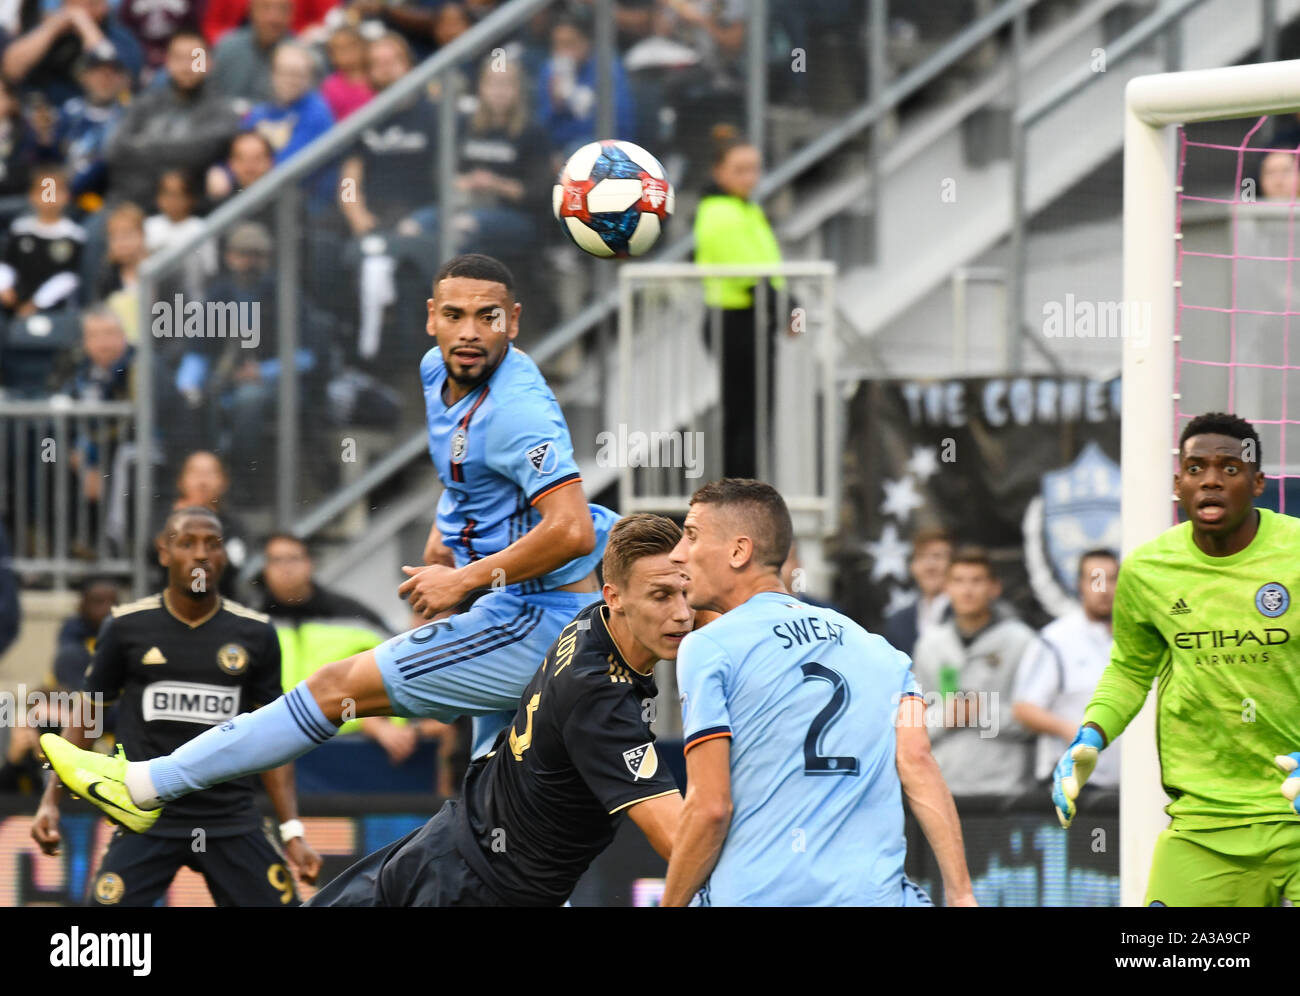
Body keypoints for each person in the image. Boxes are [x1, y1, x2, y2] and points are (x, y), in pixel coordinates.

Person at [42, 253, 621, 838]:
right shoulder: (436, 371)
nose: (470, 331)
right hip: (525, 610)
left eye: (488, 317)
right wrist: (448, 531)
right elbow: (467, 471)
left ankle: (145, 786)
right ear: (430, 318)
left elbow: (570, 528)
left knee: (331, 689)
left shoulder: (518, 410)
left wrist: (465, 579)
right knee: (494, 823)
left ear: (514, 322)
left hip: (540, 620)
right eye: (455, 314)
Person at [306, 513, 685, 906]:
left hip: (441, 847)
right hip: (474, 892)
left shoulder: (589, 624)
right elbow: (677, 840)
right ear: (613, 596)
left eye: (686, 593)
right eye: (661, 596)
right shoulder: (601, 701)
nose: (681, 613)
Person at [662, 479, 976, 907]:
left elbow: (710, 808)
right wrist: (960, 895)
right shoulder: (883, 653)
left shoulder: (708, 646)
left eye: (692, 535)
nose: (678, 552)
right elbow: (918, 762)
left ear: (739, 551)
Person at [1055, 412, 1300, 907]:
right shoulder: (1148, 571)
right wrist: (1091, 733)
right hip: (1204, 826)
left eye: (1229, 468)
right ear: (1178, 483)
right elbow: (1129, 668)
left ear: (1257, 483)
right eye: (1195, 468)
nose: (1210, 479)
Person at [35, 506, 323, 906]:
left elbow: (275, 738)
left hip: (230, 819)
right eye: (187, 543)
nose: (201, 554)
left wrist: (292, 831)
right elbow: (88, 713)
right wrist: (50, 802)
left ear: (225, 556)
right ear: (164, 552)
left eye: (212, 544)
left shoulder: (255, 633)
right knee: (96, 949)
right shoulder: (125, 627)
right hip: (145, 816)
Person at [908, 546, 1037, 797]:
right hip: (944, 785)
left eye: (977, 581)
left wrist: (981, 712)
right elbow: (912, 720)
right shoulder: (929, 645)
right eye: (958, 581)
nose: (967, 590)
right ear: (946, 588)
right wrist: (948, 715)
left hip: (1005, 788)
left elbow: (1035, 719)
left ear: (994, 588)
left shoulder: (1022, 642)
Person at [694, 127, 783, 480]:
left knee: (751, 414)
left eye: (754, 169)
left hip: (750, 318)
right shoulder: (720, 212)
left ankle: (745, 489)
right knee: (746, 414)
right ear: (719, 172)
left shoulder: (743, 208)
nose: (750, 177)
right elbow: (751, 273)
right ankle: (743, 491)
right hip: (735, 320)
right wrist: (787, 306)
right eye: (740, 169)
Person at [1012, 548, 1121, 794]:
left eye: (1111, 579)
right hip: (1072, 784)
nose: (1104, 589)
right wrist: (1070, 730)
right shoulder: (1056, 639)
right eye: (1095, 580)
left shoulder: (1136, 637)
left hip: (1127, 785)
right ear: (1079, 585)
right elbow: (1024, 708)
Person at [103, 31, 241, 209]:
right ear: (167, 62)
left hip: (193, 211)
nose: (187, 66)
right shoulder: (145, 104)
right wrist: (178, 153)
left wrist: (142, 145)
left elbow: (201, 151)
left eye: (195, 58)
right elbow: (114, 150)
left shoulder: (222, 111)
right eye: (179, 58)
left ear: (209, 63)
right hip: (131, 204)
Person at [2, 0, 143, 107]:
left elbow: (110, 68)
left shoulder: (119, 37)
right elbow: (10, 70)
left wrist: (84, 25)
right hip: (43, 118)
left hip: (95, 121)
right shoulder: (47, 32)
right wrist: (55, 26)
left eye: (92, 3)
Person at [537, 11, 636, 160]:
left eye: (569, 44)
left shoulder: (607, 68)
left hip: (602, 151)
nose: (562, 51)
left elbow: (620, 125)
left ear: (586, 43)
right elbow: (541, 124)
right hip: (557, 150)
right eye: (557, 44)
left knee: (577, 150)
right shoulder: (550, 70)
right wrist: (556, 105)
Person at [0, 166, 84, 318]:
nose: (49, 197)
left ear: (67, 196)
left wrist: (37, 302)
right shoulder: (20, 229)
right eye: (44, 190)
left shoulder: (73, 235)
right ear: (31, 195)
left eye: (55, 191)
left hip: (52, 309)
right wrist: (4, 287)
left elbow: (68, 277)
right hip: (12, 302)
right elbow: (7, 263)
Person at [882, 527, 953, 658]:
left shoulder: (970, 615)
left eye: (938, 557)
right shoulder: (898, 622)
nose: (929, 566)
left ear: (954, 564)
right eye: (921, 557)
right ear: (912, 567)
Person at [210, 0, 297, 106]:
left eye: (282, 9)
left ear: (291, 15)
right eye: (265, 8)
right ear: (250, 12)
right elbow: (208, 94)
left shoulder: (302, 58)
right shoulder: (226, 47)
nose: (273, 18)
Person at [50, 574, 120, 691]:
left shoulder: (125, 629)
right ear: (82, 606)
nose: (108, 608)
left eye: (113, 602)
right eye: (99, 602)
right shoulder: (73, 634)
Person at [319, 24, 372, 121]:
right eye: (340, 49)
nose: (348, 52)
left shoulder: (376, 72)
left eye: (352, 45)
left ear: (364, 45)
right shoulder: (330, 87)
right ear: (332, 56)